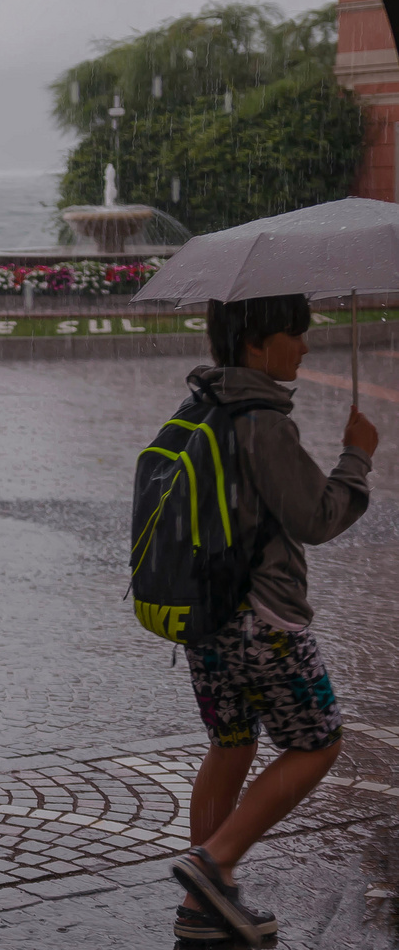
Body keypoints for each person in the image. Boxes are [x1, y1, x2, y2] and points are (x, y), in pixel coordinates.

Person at [168, 295, 377, 946]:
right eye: (296, 333)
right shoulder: (261, 420)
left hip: (206, 617)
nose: (307, 347)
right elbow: (315, 518)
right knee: (319, 742)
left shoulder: (198, 407)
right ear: (257, 344)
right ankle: (213, 862)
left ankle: (205, 908)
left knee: (232, 743)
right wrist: (357, 456)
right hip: (264, 617)